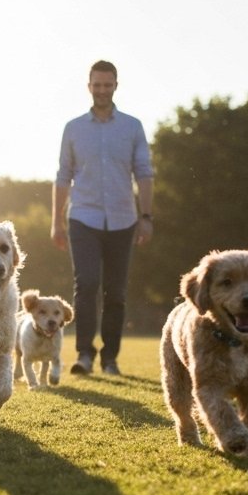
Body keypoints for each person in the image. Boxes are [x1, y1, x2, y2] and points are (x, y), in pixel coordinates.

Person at [52, 60, 155, 376]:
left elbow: (145, 174)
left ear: (115, 85)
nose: (102, 90)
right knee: (86, 284)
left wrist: (146, 216)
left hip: (124, 219)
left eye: (107, 84)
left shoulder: (132, 126)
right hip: (83, 217)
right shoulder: (73, 128)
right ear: (89, 86)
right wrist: (56, 220)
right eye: (96, 85)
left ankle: (110, 358)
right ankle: (84, 354)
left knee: (116, 291)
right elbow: (62, 176)